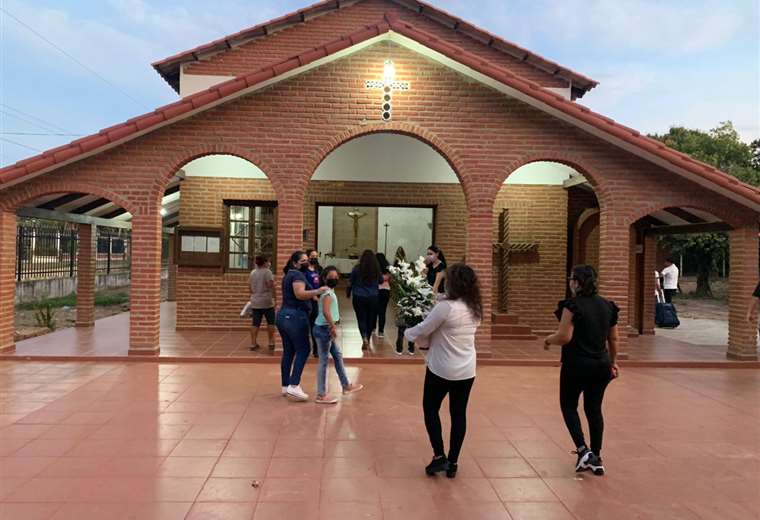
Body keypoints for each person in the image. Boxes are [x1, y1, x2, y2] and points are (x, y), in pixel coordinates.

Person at [405, 263, 482, 479]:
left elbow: (425, 328)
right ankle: (453, 462)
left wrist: (408, 333)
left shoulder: (446, 307)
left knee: (430, 408)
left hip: (441, 368)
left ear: (453, 283)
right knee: (458, 414)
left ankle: (439, 455)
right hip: (466, 370)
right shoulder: (475, 307)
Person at [544, 265, 620, 476]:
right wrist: (613, 362)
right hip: (601, 365)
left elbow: (564, 336)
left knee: (568, 406)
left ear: (577, 282)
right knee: (594, 410)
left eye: (571, 279)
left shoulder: (572, 306)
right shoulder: (608, 306)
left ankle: (582, 449)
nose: (570, 283)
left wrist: (548, 340)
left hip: (576, 365)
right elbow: (613, 338)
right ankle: (596, 456)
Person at [277, 251, 328, 402]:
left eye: (308, 260)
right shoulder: (297, 275)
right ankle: (294, 384)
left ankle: (286, 386)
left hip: (284, 316)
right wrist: (318, 291)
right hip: (295, 317)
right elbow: (299, 293)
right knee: (304, 349)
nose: (307, 262)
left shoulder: (289, 275)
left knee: (289, 351)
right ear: (295, 263)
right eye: (303, 260)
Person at [313, 266, 365, 404]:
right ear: (325, 278)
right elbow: (325, 311)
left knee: (337, 355)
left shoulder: (329, 291)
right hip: (324, 329)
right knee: (323, 362)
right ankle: (321, 394)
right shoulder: (328, 294)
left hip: (325, 329)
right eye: (332, 277)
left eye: (336, 276)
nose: (335, 279)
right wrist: (332, 326)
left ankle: (346, 385)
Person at [347, 250, 383, 349]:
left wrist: (348, 292)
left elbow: (351, 281)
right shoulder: (376, 269)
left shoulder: (357, 268)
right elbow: (381, 281)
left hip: (359, 296)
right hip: (373, 296)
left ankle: (364, 337)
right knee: (371, 318)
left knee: (361, 318)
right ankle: (368, 336)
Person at [248, 256, 276, 351]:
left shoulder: (253, 272)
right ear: (265, 262)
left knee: (255, 323)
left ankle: (253, 343)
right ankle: (271, 342)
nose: (269, 263)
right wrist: (274, 297)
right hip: (266, 301)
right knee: (271, 322)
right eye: (268, 261)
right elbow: (270, 285)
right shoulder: (267, 272)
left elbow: (250, 288)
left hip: (255, 300)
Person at [305, 249, 323, 358]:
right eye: (312, 256)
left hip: (317, 301)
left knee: (315, 325)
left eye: (316, 256)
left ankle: (316, 349)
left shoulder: (319, 269)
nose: (314, 258)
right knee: (305, 326)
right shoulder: (304, 270)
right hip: (307, 300)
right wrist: (313, 295)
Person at [375, 252, 391, 338]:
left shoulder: (374, 268)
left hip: (375, 291)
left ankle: (373, 327)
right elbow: (387, 278)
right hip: (386, 290)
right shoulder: (388, 268)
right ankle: (381, 331)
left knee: (374, 310)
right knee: (382, 312)